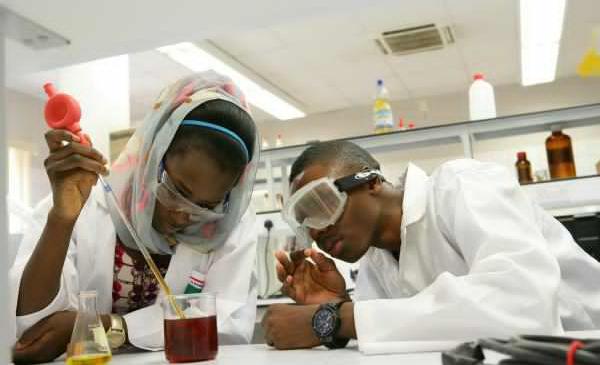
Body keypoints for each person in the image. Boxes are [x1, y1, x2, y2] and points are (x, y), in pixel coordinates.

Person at [10, 71, 260, 363]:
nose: (183, 215)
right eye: (175, 190)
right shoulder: (84, 206)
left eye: (205, 206)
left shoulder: (229, 225)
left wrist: (110, 327)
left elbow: (226, 324)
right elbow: (31, 326)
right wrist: (61, 220)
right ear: (152, 156)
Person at [262, 140, 600, 351]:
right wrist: (338, 305)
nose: (317, 232)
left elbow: (524, 306)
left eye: (321, 205)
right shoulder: (376, 262)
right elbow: (401, 332)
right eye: (305, 224)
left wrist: (337, 319)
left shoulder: (462, 185)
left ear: (372, 181)